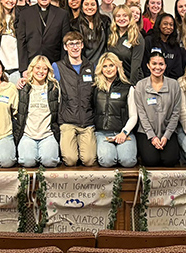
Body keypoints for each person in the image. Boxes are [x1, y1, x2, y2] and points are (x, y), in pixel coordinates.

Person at [52, 31, 97, 167]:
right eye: (71, 44)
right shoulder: (58, 67)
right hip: (67, 121)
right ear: (65, 47)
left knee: (89, 160)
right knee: (71, 160)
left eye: (77, 43)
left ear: (82, 45)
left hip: (87, 121)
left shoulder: (91, 67)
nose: (75, 47)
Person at [134, 49, 182, 167]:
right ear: (148, 66)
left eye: (161, 64)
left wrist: (166, 136)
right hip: (146, 132)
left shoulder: (174, 85)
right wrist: (153, 137)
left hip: (168, 131)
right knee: (151, 161)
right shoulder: (141, 85)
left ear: (165, 66)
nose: (157, 67)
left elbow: (176, 113)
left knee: (170, 160)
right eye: (154, 64)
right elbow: (142, 114)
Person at [14, 55, 60, 168]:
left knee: (49, 161)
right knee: (27, 162)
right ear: (32, 69)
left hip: (47, 135)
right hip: (28, 135)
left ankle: (44, 153)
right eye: (38, 68)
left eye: (45, 69)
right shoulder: (23, 88)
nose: (41, 71)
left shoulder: (54, 88)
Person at [93, 52, 137, 168]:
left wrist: (124, 132)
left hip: (123, 132)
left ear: (117, 66)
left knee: (128, 161)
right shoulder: (95, 88)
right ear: (100, 69)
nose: (108, 69)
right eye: (105, 66)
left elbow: (134, 116)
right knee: (107, 161)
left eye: (111, 65)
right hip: (102, 133)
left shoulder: (128, 88)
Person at [19, 0, 71, 67]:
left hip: (55, 63)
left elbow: (64, 42)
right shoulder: (25, 14)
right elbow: (21, 42)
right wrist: (23, 68)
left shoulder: (62, 14)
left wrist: (63, 66)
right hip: (31, 63)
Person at [105, 5, 145, 85]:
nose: (121, 19)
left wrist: (132, 85)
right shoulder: (111, 33)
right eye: (118, 16)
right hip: (114, 80)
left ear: (130, 18)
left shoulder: (136, 37)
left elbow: (136, 65)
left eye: (125, 15)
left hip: (131, 79)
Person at [146, 13, 185, 79]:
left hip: (170, 83)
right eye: (165, 24)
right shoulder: (149, 40)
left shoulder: (175, 45)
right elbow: (145, 64)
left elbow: (177, 70)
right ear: (159, 25)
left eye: (171, 25)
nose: (169, 27)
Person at [74, 0, 109, 67]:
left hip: (102, 64)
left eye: (93, 4)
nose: (89, 7)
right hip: (83, 65)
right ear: (81, 6)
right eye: (86, 4)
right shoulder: (74, 24)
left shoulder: (105, 21)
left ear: (97, 6)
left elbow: (109, 43)